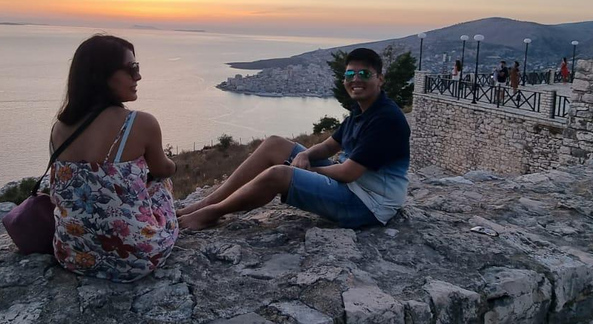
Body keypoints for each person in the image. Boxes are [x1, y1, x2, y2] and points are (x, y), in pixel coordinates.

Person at [178, 48, 410, 230]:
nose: (356, 79)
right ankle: (205, 203)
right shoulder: (362, 110)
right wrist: (305, 154)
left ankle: (210, 214)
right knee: (274, 144)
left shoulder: (385, 119)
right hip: (351, 187)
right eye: (350, 74)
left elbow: (348, 173)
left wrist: (302, 170)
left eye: (364, 74)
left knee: (280, 173)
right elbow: (330, 145)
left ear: (380, 79)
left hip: (368, 205)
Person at [49, 35, 178, 283]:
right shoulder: (140, 123)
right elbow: (163, 169)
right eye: (132, 69)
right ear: (102, 75)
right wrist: (174, 165)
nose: (138, 77)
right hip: (137, 259)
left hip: (71, 256)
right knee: (160, 185)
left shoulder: (59, 128)